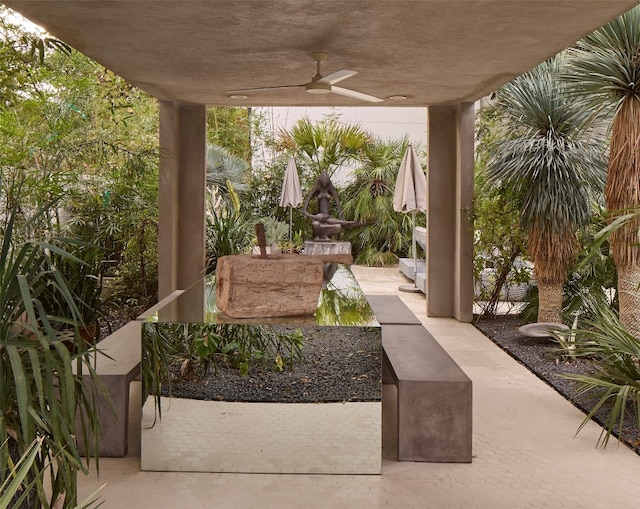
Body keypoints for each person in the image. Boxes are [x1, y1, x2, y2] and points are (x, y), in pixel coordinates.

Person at [302, 171, 360, 241]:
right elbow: (304, 211)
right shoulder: (317, 187)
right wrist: (316, 217)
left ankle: (323, 236)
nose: (324, 184)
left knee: (338, 226)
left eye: (326, 183)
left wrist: (341, 217)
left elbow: (338, 203)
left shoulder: (330, 187)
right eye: (323, 183)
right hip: (319, 218)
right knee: (315, 224)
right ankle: (320, 237)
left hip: (328, 218)